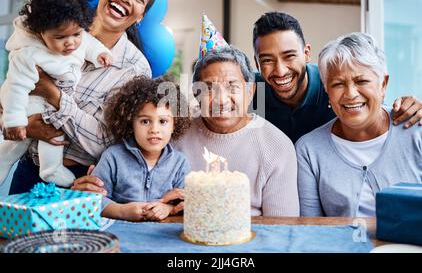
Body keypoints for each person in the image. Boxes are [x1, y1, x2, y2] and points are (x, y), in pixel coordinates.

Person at [5, 0, 157, 194]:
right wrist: (19, 122)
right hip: (27, 172)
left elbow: (106, 142)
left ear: (141, 16)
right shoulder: (53, 28)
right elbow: (13, 86)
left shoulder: (135, 71)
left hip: (79, 182)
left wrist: (53, 94)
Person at [0, 0, 113, 188]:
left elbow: (88, 43)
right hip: (30, 101)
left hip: (51, 104)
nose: (70, 43)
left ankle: (50, 169)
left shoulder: (76, 33)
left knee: (53, 130)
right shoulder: (28, 53)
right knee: (14, 147)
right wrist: (14, 120)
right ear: (39, 33)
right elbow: (16, 87)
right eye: (59, 38)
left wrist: (100, 54)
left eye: (76, 34)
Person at [296, 32, 422, 217]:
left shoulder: (416, 130)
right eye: (338, 84)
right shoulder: (308, 150)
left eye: (361, 81)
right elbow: (310, 229)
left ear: (383, 85)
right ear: (326, 90)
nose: (350, 94)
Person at [252, 12, 422, 143]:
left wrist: (410, 109)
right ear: (257, 62)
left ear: (306, 53)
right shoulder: (252, 90)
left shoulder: (333, 82)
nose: (280, 71)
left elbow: (372, 108)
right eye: (267, 60)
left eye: (289, 56)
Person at [173, 47, 299, 217]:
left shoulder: (277, 146)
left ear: (251, 91)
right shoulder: (174, 137)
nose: (221, 100)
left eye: (232, 87)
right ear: (196, 93)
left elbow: (282, 227)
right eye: (209, 88)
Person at [91, 76, 191, 221]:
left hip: (163, 237)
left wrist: (167, 208)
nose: (154, 129)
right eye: (145, 121)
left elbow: (187, 202)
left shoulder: (180, 163)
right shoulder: (113, 157)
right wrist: (122, 211)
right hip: (120, 233)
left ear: (174, 125)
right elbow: (93, 200)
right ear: (131, 123)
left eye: (163, 121)